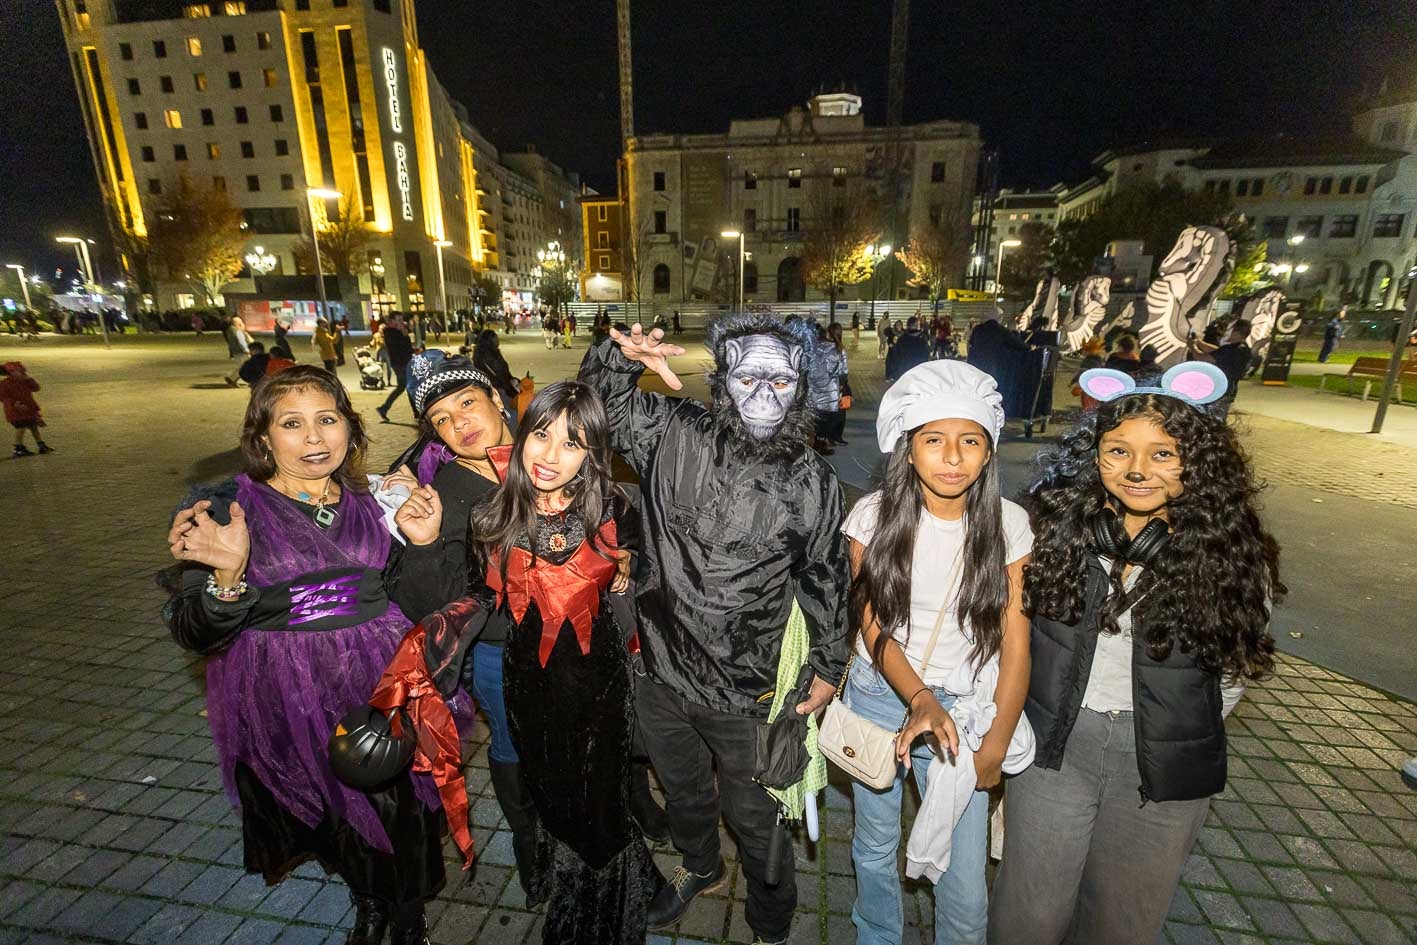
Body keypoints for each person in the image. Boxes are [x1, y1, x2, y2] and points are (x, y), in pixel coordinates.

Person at [989, 362, 1282, 945]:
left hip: (1162, 763)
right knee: (1028, 914)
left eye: (1163, 454)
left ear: (1196, 462)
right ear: (1093, 454)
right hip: (1056, 747)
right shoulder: (1055, 531)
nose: (1138, 470)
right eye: (1118, 450)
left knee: (1121, 922)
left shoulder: (1231, 554)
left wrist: (1171, 729)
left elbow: (1230, 675)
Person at [579, 315, 849, 945]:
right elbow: (599, 410)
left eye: (779, 378)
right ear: (723, 381)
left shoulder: (812, 481)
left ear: (801, 387)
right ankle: (699, 867)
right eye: (747, 374)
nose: (761, 392)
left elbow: (826, 579)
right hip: (663, 673)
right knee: (684, 796)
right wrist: (622, 357)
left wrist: (830, 667)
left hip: (748, 693)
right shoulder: (674, 431)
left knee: (757, 820)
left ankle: (771, 924)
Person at [161, 366, 451, 945]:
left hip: (380, 673)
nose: (315, 438)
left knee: (398, 799)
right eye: (292, 424)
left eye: (327, 419)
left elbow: (422, 601)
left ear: (349, 425)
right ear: (263, 437)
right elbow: (195, 630)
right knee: (328, 800)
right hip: (284, 684)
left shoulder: (380, 500)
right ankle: (368, 899)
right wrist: (228, 578)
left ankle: (408, 907)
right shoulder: (225, 510)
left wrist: (425, 547)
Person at [406, 382, 664, 944]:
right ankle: (591, 874)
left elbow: (649, 568)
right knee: (550, 791)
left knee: (599, 794)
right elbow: (473, 595)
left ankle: (602, 918)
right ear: (523, 433)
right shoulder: (492, 511)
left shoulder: (615, 503)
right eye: (542, 435)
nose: (550, 455)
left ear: (594, 452)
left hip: (599, 683)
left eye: (572, 443)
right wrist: (423, 547)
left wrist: (627, 565)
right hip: (527, 681)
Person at [843, 361, 1033, 945]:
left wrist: (995, 746)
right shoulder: (872, 518)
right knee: (874, 846)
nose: (952, 457)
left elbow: (1016, 642)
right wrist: (918, 697)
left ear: (988, 450)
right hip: (880, 696)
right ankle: (877, 934)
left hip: (965, 713)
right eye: (934, 441)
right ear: (908, 448)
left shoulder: (1008, 524)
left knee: (966, 877)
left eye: (969, 441)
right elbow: (872, 624)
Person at [1195, 319, 1251, 419]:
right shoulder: (1243, 349)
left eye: (1231, 330)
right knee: (1218, 419)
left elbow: (1202, 358)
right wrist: (1198, 342)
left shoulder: (1230, 350)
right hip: (1229, 391)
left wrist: (1191, 346)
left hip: (1219, 392)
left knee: (1212, 420)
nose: (1227, 332)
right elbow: (1216, 351)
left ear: (1237, 333)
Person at [808, 322, 849, 452]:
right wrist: (842, 385)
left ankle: (816, 443)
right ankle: (823, 443)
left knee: (817, 416)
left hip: (815, 388)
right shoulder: (839, 349)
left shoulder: (814, 348)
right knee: (830, 417)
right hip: (830, 389)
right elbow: (843, 372)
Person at [1, 361, 53, 457]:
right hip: (15, 411)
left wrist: (29, 379)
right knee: (20, 427)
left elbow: (36, 388)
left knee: (33, 426)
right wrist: (14, 403)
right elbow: (2, 396)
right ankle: (18, 448)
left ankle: (41, 445)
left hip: (29, 409)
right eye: (16, 371)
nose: (19, 373)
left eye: (20, 371)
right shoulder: (4, 383)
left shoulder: (25, 381)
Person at [472, 328, 522, 410]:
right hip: (498, 388)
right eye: (495, 338)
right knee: (510, 411)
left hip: (495, 387)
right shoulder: (489, 355)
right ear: (490, 340)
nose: (498, 341)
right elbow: (500, 372)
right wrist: (508, 385)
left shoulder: (484, 353)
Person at [377, 315, 414, 422]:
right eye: (399, 320)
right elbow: (399, 346)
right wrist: (404, 334)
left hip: (405, 362)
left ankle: (384, 408)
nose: (402, 322)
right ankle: (418, 413)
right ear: (392, 321)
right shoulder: (389, 332)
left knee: (404, 387)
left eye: (402, 320)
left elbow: (408, 347)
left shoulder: (399, 331)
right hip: (399, 364)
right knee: (408, 386)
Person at [886, 316, 932, 382]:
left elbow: (897, 354)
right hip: (918, 367)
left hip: (905, 368)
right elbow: (926, 352)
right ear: (916, 325)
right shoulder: (921, 337)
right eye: (918, 324)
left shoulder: (902, 337)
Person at [223, 314, 253, 386]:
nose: (242, 324)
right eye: (241, 322)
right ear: (238, 323)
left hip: (236, 352)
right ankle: (232, 378)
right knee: (245, 367)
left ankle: (231, 378)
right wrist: (247, 350)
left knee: (242, 366)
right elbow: (241, 342)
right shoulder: (237, 331)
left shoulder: (230, 330)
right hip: (242, 352)